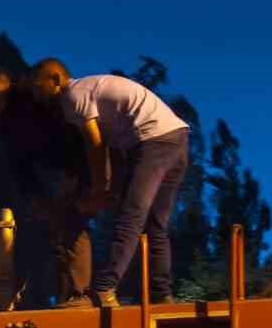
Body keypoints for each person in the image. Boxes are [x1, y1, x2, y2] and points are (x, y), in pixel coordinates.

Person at [27, 59, 189, 306]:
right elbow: (115, 151)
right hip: (177, 138)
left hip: (153, 138)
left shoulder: (73, 94)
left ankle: (104, 287)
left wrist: (100, 187)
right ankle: (161, 294)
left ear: (55, 78)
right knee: (155, 225)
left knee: (131, 217)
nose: (36, 94)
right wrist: (110, 187)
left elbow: (95, 144)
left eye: (37, 86)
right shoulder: (92, 89)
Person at [0, 66, 95, 307]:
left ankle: (77, 294)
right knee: (55, 232)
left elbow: (63, 128)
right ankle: (62, 294)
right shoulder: (3, 121)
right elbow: (18, 161)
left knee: (69, 226)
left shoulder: (28, 99)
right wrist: (33, 195)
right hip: (46, 178)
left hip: (65, 168)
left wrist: (78, 175)